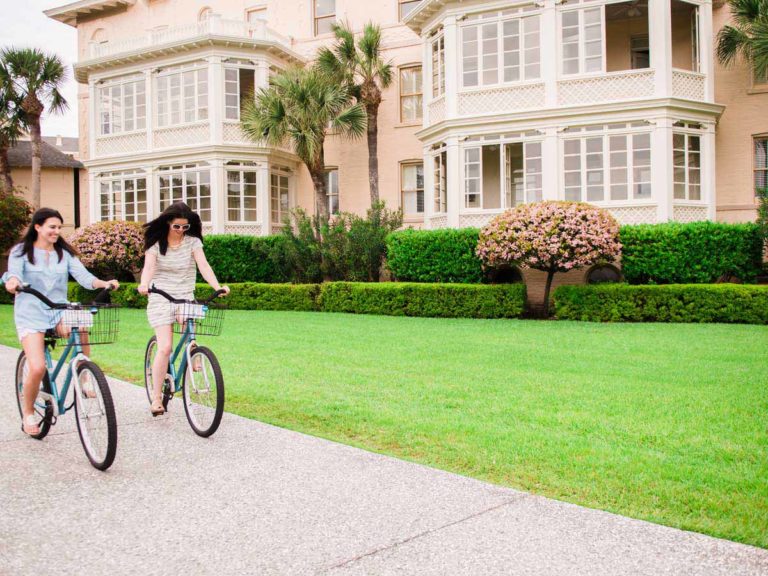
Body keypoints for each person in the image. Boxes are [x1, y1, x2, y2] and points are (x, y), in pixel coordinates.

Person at [2, 208, 119, 436]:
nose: (56, 231)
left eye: (59, 227)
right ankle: (28, 414)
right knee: (37, 367)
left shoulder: (64, 254)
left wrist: (103, 284)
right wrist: (12, 283)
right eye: (52, 227)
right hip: (31, 312)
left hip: (57, 309)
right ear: (38, 227)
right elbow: (13, 275)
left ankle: (84, 375)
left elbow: (85, 278)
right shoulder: (21, 252)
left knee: (81, 323)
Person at [137, 202, 229, 416]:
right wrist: (144, 284)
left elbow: (204, 265)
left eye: (184, 227)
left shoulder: (192, 242)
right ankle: (157, 397)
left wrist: (217, 287)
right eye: (177, 226)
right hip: (160, 295)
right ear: (168, 223)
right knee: (165, 347)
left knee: (190, 327)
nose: (180, 231)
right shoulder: (156, 244)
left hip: (184, 295)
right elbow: (149, 267)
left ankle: (194, 353)